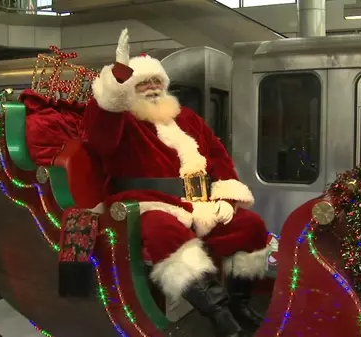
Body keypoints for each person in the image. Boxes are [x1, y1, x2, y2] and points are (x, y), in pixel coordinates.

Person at [85, 29, 270, 337]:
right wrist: (117, 80)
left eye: (157, 81)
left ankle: (241, 303)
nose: (152, 88)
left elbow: (219, 158)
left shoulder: (189, 120)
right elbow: (102, 134)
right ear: (130, 90)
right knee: (165, 231)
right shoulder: (121, 120)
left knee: (250, 226)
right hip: (145, 203)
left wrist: (225, 198)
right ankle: (219, 313)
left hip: (197, 204)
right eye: (143, 83)